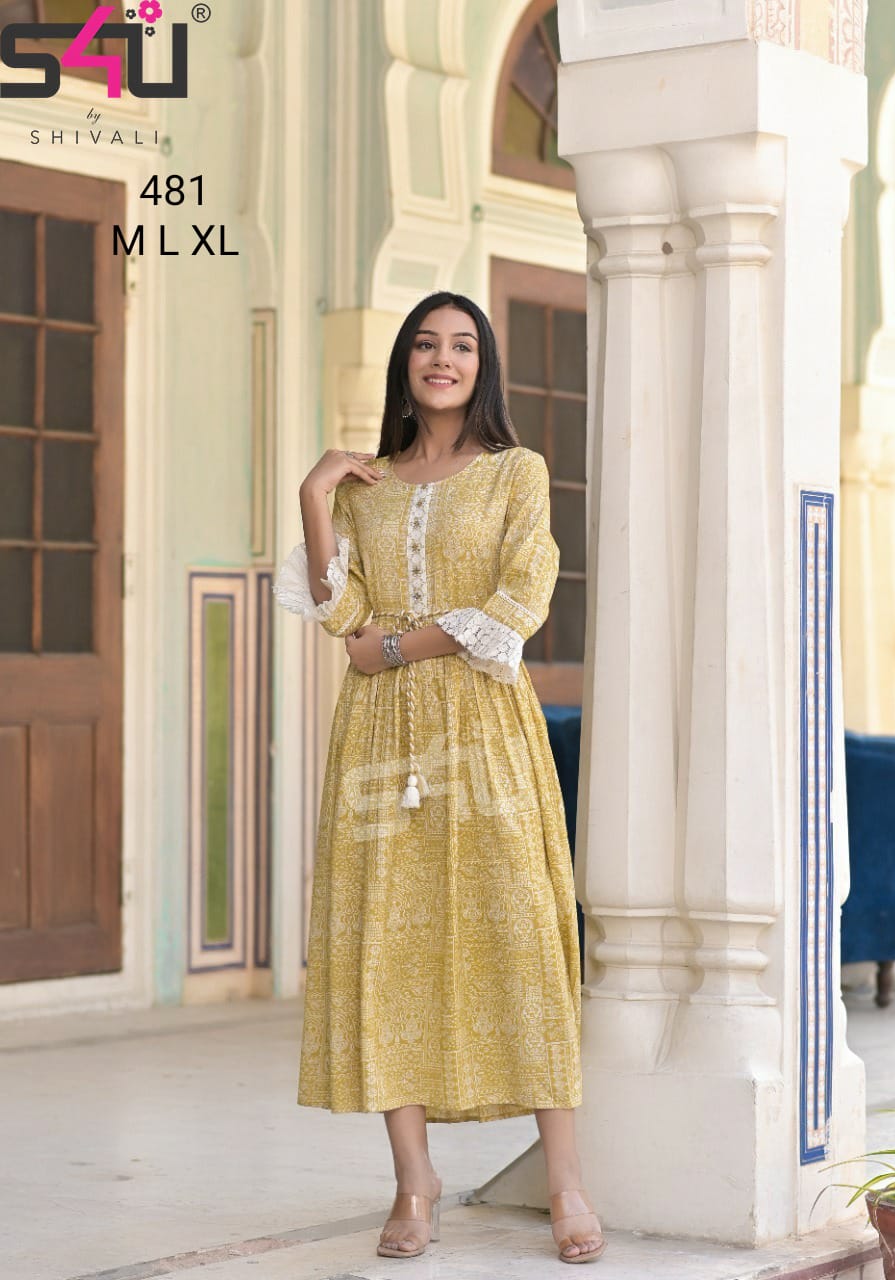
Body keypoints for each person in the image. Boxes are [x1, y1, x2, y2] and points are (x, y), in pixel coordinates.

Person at [272, 291, 606, 1264]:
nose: (442, 358)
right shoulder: (364, 487)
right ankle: (413, 1182)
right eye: (426, 343)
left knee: (522, 933)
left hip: (485, 727)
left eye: (462, 345)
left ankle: (566, 1180)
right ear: (405, 363)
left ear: (482, 364)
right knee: (389, 940)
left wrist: (397, 644)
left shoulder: (515, 472)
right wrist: (314, 495)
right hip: (380, 740)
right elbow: (340, 616)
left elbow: (520, 597)